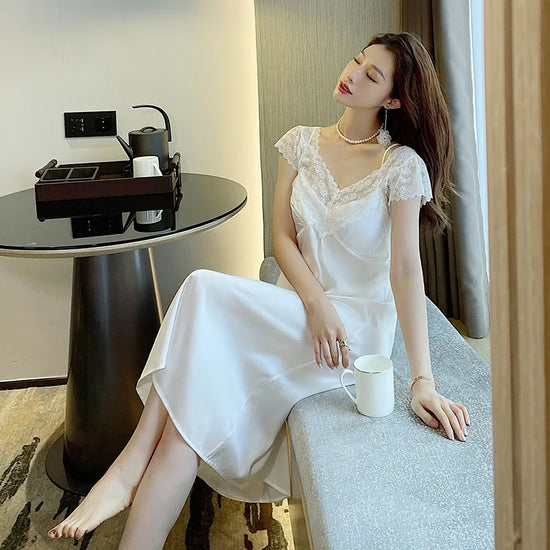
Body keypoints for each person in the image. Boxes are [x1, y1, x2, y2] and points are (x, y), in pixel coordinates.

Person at [48, 31, 470, 548]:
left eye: (372, 75)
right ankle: (130, 483)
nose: (352, 74)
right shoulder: (300, 143)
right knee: (187, 416)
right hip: (299, 309)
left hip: (351, 334)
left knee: (201, 289)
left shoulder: (400, 166)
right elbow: (282, 239)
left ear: (394, 99)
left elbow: (406, 272)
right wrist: (314, 301)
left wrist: (422, 379)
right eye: (357, 60)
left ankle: (127, 468)